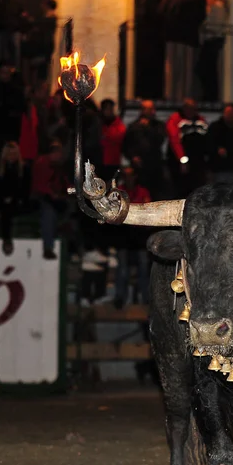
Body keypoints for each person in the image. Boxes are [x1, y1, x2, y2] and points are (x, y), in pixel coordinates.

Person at [113, 167, 151, 309]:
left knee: (143, 268)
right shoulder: (118, 192)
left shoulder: (142, 191)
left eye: (131, 175)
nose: (129, 178)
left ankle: (146, 299)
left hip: (140, 236)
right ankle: (120, 297)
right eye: (126, 176)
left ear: (135, 177)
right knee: (122, 269)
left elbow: (147, 209)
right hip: (123, 236)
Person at [31, 140, 69, 260]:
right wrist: (53, 194)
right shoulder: (42, 163)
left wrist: (71, 191)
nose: (59, 155)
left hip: (56, 198)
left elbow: (64, 184)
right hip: (40, 197)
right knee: (49, 213)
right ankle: (48, 247)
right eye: (56, 152)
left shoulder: (59, 166)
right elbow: (39, 185)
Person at [123, 100, 166, 200]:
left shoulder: (159, 125)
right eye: (144, 108)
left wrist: (147, 128)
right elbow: (126, 145)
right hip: (139, 167)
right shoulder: (134, 126)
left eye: (149, 108)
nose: (147, 111)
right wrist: (132, 157)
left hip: (155, 166)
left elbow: (160, 140)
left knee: (155, 194)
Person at [165, 98, 208, 198]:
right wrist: (182, 160)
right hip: (180, 162)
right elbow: (174, 140)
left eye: (193, 108)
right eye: (188, 108)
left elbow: (206, 139)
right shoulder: (175, 119)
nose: (191, 110)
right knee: (180, 190)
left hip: (198, 162)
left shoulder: (200, 120)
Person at [196, 0, 229, 102]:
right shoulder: (216, 6)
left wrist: (203, 25)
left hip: (212, 41)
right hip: (212, 41)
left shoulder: (217, 7)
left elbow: (213, 25)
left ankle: (210, 97)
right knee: (207, 69)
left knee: (206, 69)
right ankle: (209, 95)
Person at [207, 104, 233, 182]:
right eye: (227, 112)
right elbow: (209, 143)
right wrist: (217, 149)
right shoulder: (215, 127)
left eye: (231, 112)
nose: (229, 115)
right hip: (219, 167)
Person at [0, 142, 28, 255]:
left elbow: (25, 189)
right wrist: (4, 198)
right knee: (5, 210)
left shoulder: (23, 168)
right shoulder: (1, 168)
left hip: (18, 201)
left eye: (14, 153)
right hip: (2, 201)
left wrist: (13, 198)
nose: (11, 156)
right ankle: (7, 240)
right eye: (9, 153)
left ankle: (7, 240)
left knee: (7, 211)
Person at [0, 61, 26, 154]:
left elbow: (20, 109)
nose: (5, 75)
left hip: (11, 131)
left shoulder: (16, 91)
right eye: (2, 72)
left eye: (7, 72)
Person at [100, 98, 126, 184]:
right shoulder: (99, 122)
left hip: (113, 161)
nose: (109, 111)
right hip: (99, 161)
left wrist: (106, 136)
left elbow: (119, 137)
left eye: (110, 109)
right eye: (106, 109)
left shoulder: (117, 123)